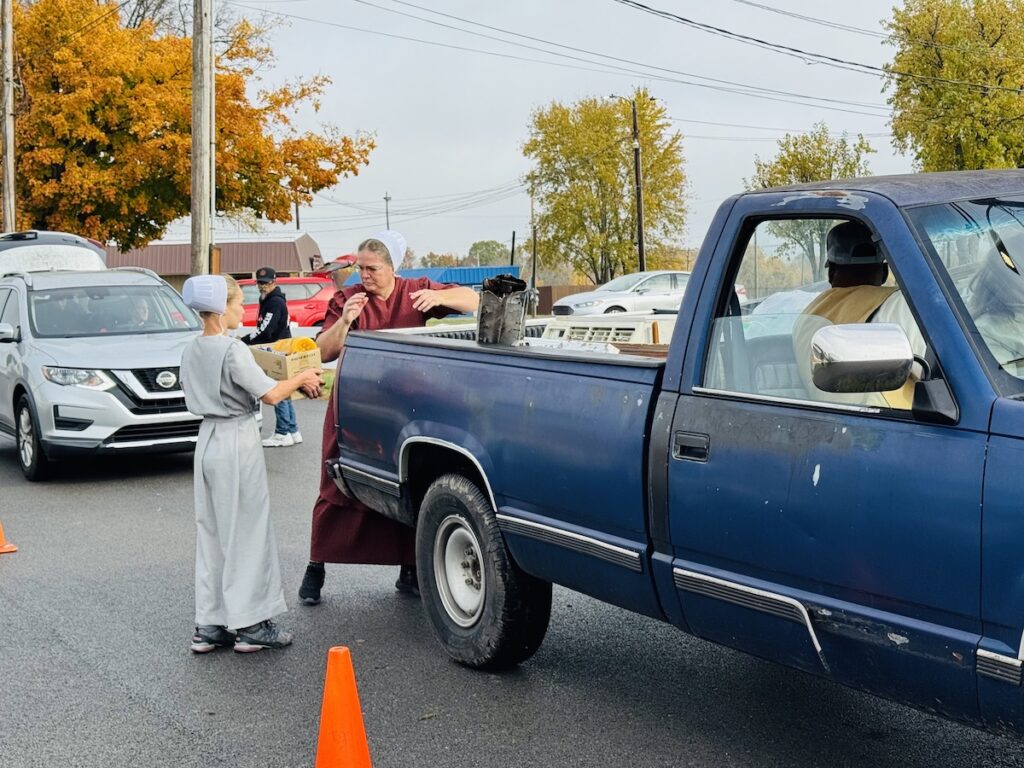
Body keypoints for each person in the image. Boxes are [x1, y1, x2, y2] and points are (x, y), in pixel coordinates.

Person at [298, 230, 480, 606]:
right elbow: (323, 351)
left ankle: (409, 569)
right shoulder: (348, 298)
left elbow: (473, 300)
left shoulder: (415, 291)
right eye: (360, 268)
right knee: (336, 484)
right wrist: (345, 321)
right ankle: (316, 567)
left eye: (372, 268)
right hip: (353, 404)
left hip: (402, 409)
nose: (364, 275)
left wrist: (441, 297)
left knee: (406, 484)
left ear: (391, 269)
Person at [179, 274, 322, 654]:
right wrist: (303, 376)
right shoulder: (232, 350)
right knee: (247, 530)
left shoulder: (191, 348)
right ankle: (251, 624)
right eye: (238, 303)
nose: (243, 310)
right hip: (236, 437)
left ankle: (210, 624)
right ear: (220, 308)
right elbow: (272, 394)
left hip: (206, 438)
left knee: (212, 532)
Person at [792, 220, 923, 409]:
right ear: (885, 272)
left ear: (831, 272)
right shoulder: (900, 306)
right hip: (895, 426)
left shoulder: (807, 317)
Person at [243, 266, 301, 448]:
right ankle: (292, 430)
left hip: (278, 349)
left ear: (274, 282)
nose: (262, 286)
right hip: (280, 348)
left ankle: (282, 432)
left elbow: (266, 331)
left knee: (278, 390)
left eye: (266, 282)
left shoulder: (274, 302)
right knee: (285, 390)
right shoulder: (268, 299)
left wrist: (244, 340)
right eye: (259, 283)